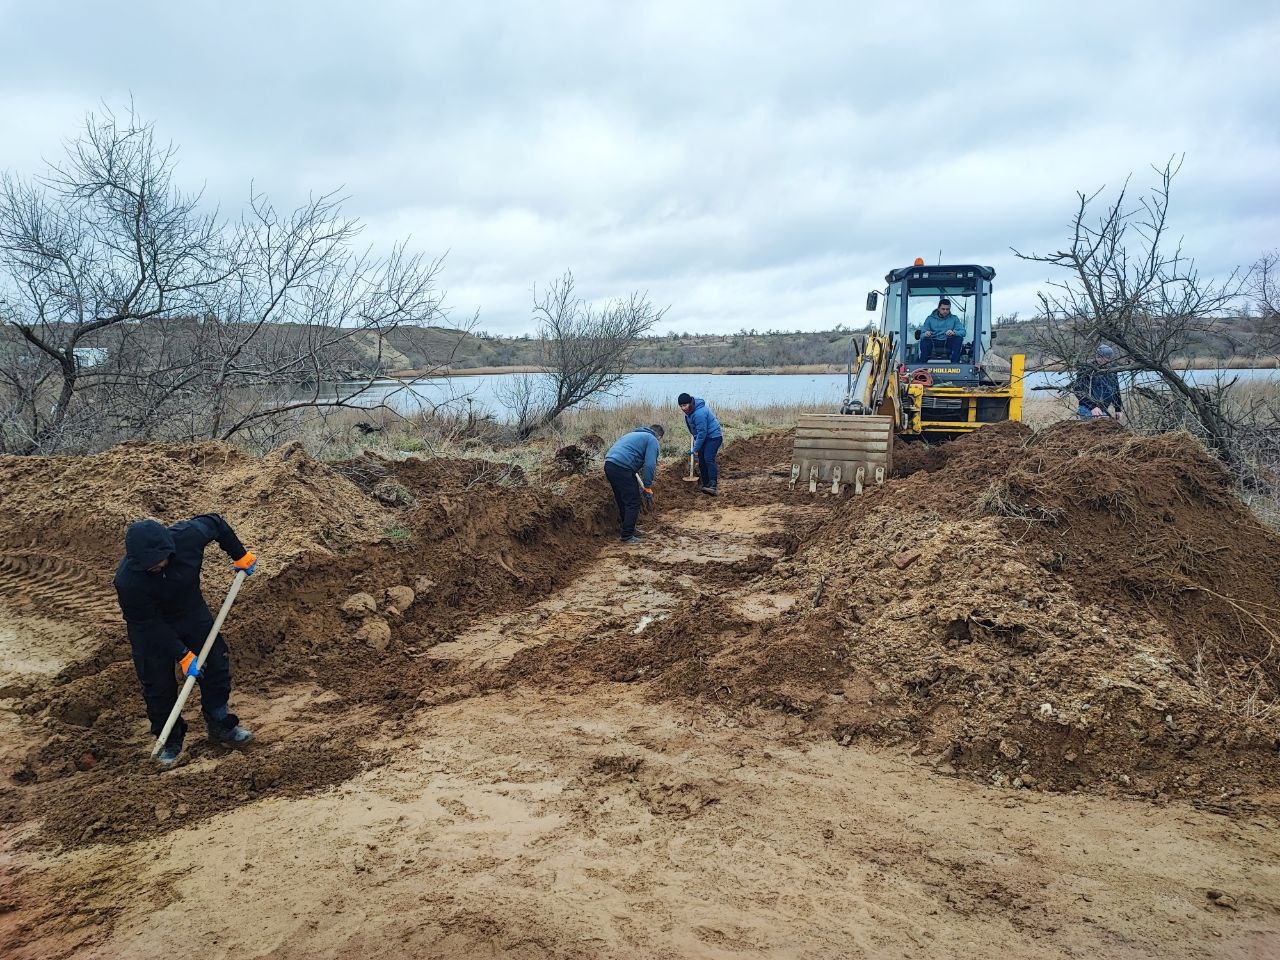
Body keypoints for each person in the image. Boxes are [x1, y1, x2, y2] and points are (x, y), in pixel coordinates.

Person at [114, 514, 258, 766]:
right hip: (150, 628)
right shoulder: (128, 581)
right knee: (157, 686)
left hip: (190, 611)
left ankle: (220, 724)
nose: (155, 566)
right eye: (149, 565)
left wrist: (239, 554)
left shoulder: (188, 536)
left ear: (169, 548)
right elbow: (148, 625)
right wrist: (182, 654)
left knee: (215, 664)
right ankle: (169, 739)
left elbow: (217, 523)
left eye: (158, 561)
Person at [603, 424, 664, 544]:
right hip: (623, 467)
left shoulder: (633, 434)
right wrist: (647, 486)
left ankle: (628, 528)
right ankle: (627, 535)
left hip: (609, 465)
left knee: (622, 500)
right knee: (633, 501)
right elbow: (650, 465)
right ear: (659, 437)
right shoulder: (652, 440)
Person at [677, 393, 723, 496]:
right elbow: (694, 430)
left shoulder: (699, 413)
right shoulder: (689, 412)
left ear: (690, 403)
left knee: (708, 458)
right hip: (703, 437)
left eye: (685, 405)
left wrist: (695, 448)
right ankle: (706, 484)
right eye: (681, 406)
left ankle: (713, 484)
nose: (683, 408)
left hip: (713, 437)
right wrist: (696, 442)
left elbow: (702, 432)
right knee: (701, 461)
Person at [1072, 344, 1124, 420]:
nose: (1100, 359)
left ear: (1109, 358)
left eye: (1103, 357)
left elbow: (1115, 390)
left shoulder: (1112, 371)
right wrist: (1093, 407)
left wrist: (1118, 409)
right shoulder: (1086, 369)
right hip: (1087, 408)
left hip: (1103, 409)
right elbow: (1078, 389)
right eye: (1098, 356)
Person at [918, 298, 966, 363]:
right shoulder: (930, 319)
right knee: (924, 341)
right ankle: (922, 366)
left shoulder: (954, 319)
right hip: (933, 341)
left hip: (948, 341)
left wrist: (954, 332)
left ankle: (955, 364)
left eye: (947, 309)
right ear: (938, 308)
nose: (945, 311)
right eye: (943, 309)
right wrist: (926, 333)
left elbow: (963, 332)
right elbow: (922, 335)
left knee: (958, 339)